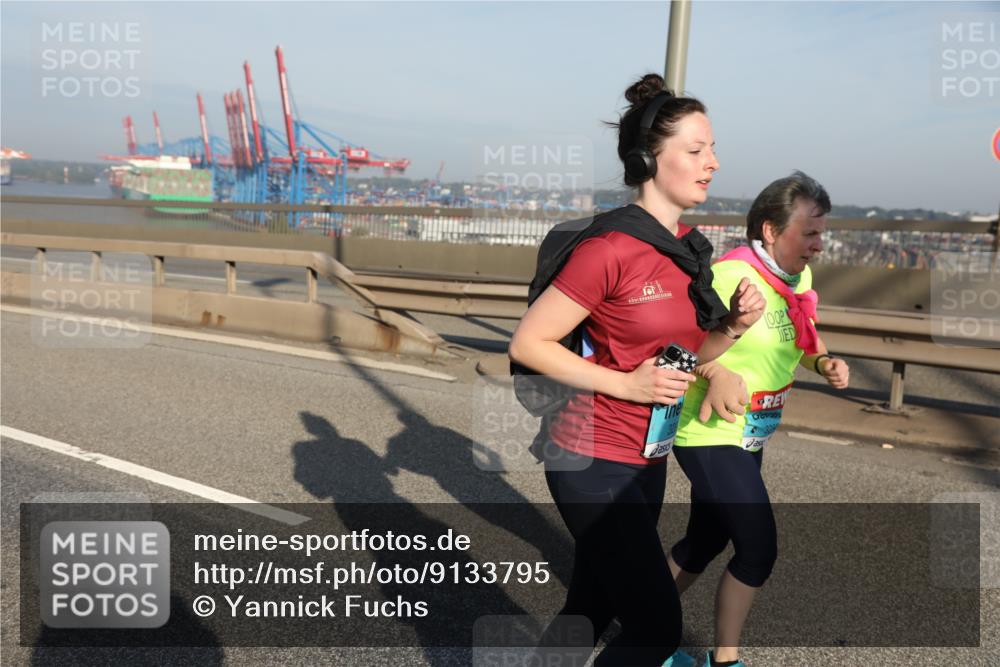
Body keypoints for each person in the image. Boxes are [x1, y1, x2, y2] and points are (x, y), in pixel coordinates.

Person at [508, 73, 764, 666]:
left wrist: (733, 328)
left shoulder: (684, 252)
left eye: (713, 149)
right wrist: (626, 383)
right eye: (696, 151)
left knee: (590, 608)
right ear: (650, 158)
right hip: (590, 456)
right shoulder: (611, 248)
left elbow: (680, 361)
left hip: (645, 460)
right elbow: (531, 342)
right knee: (654, 626)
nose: (713, 163)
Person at [667, 171, 851, 667]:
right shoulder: (729, 276)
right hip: (708, 431)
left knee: (704, 541)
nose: (818, 244)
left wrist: (822, 362)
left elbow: (803, 333)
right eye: (810, 232)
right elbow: (678, 348)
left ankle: (642, 627)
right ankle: (724, 660)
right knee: (757, 549)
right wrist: (715, 368)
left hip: (751, 435)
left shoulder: (796, 279)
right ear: (770, 230)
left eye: (822, 233)